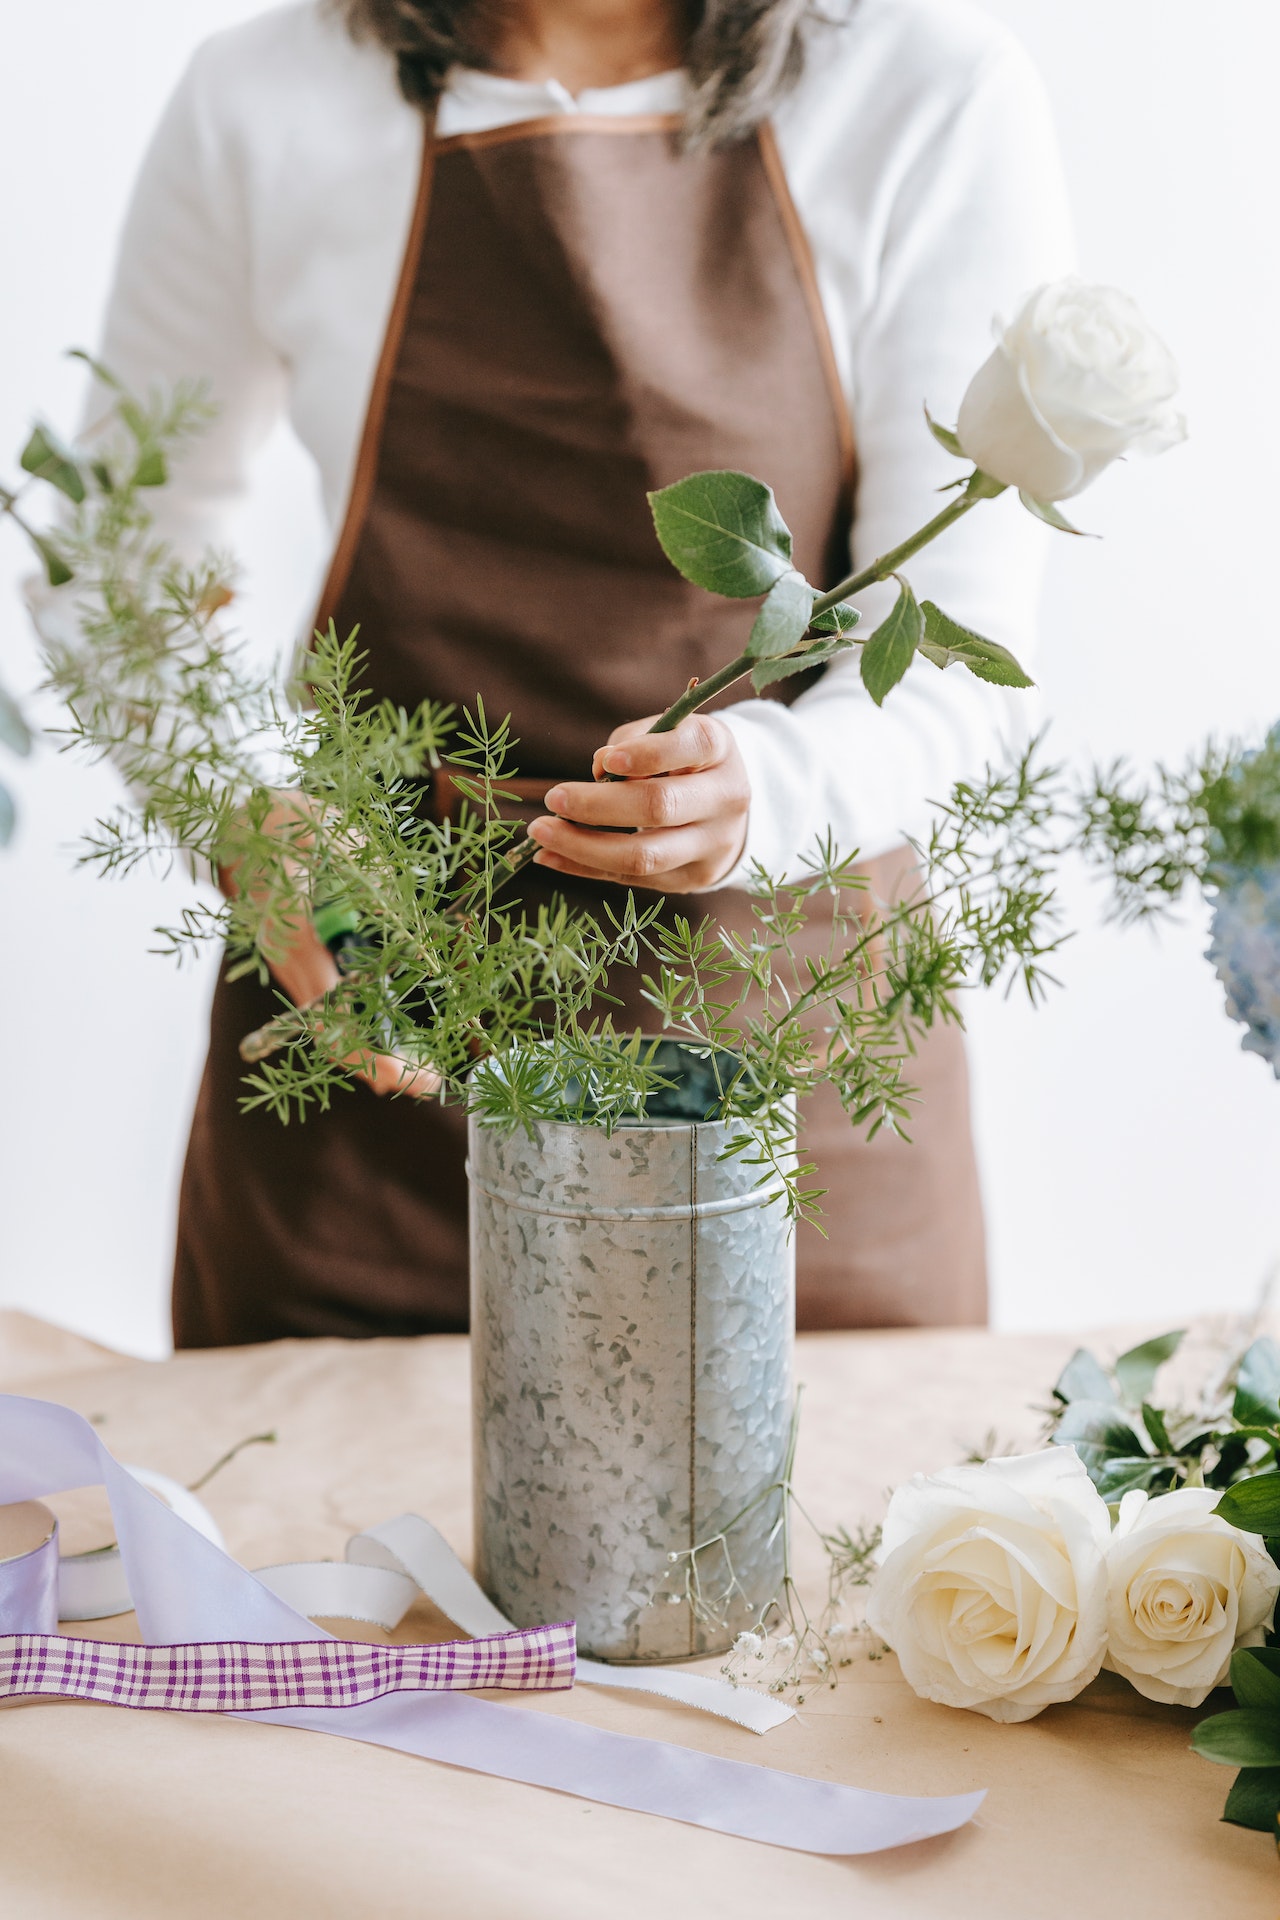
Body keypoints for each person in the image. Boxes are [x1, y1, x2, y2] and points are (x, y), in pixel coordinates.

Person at [73, 0, 1071, 1344]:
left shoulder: (925, 92)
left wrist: (763, 792)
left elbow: (951, 642)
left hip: (791, 1071)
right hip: (377, 1063)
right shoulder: (264, 96)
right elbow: (116, 552)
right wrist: (250, 821)